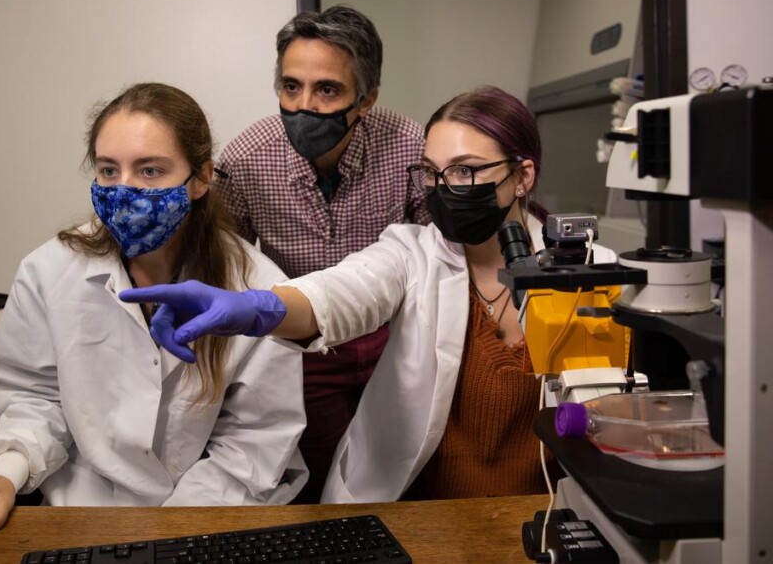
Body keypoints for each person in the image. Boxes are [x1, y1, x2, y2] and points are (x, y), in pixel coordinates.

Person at [122, 85, 618, 503]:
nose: (444, 187)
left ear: (521, 176)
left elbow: (610, 413)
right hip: (421, 509)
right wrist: (259, 307)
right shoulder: (413, 252)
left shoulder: (589, 271)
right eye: (431, 172)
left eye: (465, 170)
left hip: (553, 508)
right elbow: (345, 291)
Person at [0, 83, 307, 538]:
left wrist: (176, 529)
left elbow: (256, 437)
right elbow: (34, 398)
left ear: (201, 178)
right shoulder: (49, 271)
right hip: (83, 506)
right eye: (108, 170)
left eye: (150, 171)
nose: (125, 192)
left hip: (209, 508)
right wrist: (6, 471)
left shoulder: (255, 287)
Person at [214, 4, 429, 503]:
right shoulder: (247, 158)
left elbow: (438, 258)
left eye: (327, 89)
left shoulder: (410, 147)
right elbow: (229, 263)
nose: (303, 105)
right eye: (291, 87)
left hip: (394, 344)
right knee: (318, 487)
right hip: (300, 350)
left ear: (367, 97)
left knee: (403, 479)